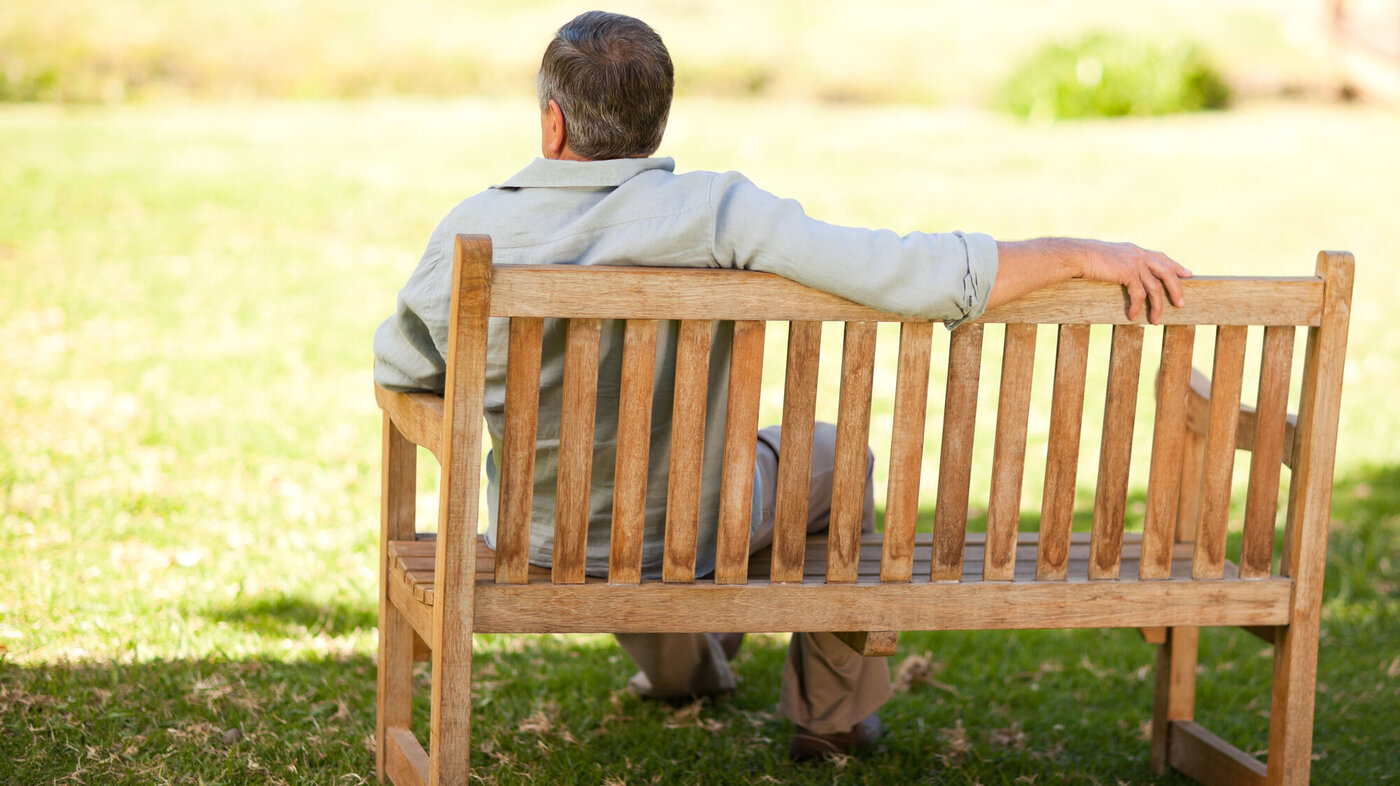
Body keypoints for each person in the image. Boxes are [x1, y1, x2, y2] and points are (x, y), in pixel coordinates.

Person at [373, 10, 1190, 762]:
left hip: (542, 542)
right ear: (656, 124)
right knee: (836, 461)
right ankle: (830, 715)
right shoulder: (719, 211)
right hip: (704, 529)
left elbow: (407, 377)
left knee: (623, 504)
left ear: (552, 124)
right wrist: (1084, 250)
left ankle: (688, 665)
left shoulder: (471, 233)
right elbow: (906, 272)